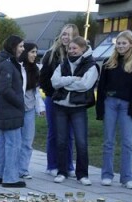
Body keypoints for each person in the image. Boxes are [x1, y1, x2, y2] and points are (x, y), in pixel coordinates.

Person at [96, 30, 132, 189]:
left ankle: (127, 177)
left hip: (127, 105)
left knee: (127, 142)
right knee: (108, 141)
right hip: (110, 103)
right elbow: (102, 86)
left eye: (124, 43)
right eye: (118, 43)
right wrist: (100, 110)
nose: (121, 46)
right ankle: (107, 175)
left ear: (131, 44)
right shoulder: (108, 62)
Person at [51, 36, 99, 186]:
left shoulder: (91, 65)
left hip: (78, 108)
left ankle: (82, 174)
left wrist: (65, 82)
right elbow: (54, 82)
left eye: (75, 48)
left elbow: (85, 85)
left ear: (83, 49)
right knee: (61, 141)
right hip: (60, 107)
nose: (71, 51)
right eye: (70, 48)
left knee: (81, 142)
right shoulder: (63, 63)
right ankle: (61, 171)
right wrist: (72, 79)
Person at [0, 36, 27, 189]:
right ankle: (10, 178)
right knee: (13, 144)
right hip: (10, 109)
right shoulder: (7, 65)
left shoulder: (4, 63)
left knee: (3, 143)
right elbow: (5, 88)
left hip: (5, 109)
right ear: (13, 46)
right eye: (21, 46)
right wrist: (19, 102)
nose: (23, 49)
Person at [40, 25, 78, 178]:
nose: (65, 37)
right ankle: (52, 165)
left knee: (68, 134)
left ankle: (68, 165)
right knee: (54, 133)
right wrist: (53, 93)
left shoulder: (77, 55)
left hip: (71, 100)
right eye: (63, 34)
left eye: (68, 35)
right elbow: (43, 78)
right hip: (53, 98)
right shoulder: (51, 54)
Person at [18, 42, 44, 179]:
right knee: (16, 140)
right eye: (32, 52)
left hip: (29, 108)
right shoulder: (18, 68)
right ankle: (12, 167)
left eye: (36, 52)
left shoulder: (36, 69)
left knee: (27, 141)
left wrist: (41, 108)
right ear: (25, 52)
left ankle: (23, 169)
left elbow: (36, 91)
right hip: (17, 109)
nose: (35, 55)